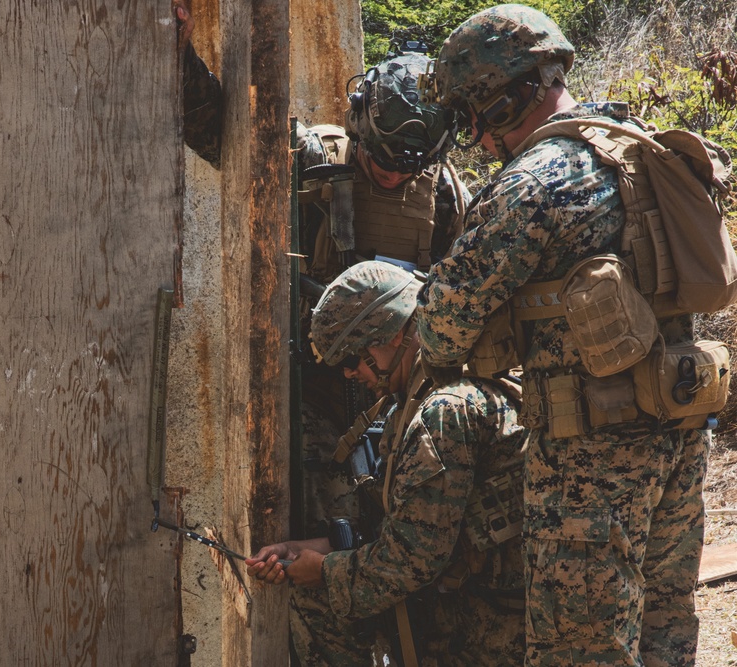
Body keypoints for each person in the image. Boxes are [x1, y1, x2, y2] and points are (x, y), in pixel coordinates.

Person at [416, 5, 717, 665]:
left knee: (580, 651)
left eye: (475, 117)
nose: (477, 137)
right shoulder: (640, 143)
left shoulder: (534, 181)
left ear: (500, 104)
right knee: (665, 639)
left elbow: (440, 329)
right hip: (679, 434)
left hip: (590, 467)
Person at [173, 0, 470, 537]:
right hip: (306, 396)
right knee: (310, 538)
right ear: (360, 124)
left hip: (399, 398)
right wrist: (179, 53)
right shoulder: (312, 160)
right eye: (380, 158)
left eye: (408, 169)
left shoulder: (445, 199)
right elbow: (218, 129)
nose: (390, 176)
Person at [247, 260, 526, 666]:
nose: (349, 374)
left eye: (353, 358)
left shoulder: (443, 412)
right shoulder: (413, 404)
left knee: (318, 599)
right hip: (471, 600)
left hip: (495, 622)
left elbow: (410, 560)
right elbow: (396, 528)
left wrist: (324, 572)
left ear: (394, 336)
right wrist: (301, 551)